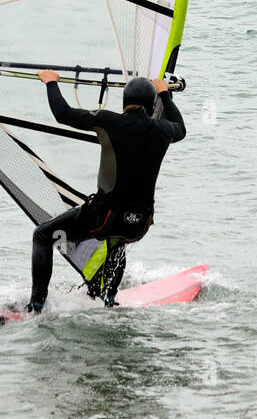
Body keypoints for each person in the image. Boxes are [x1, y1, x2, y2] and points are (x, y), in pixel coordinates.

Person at [27, 72, 186, 310]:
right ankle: (109, 297)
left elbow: (63, 114)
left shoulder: (109, 121)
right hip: (140, 224)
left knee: (43, 235)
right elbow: (181, 128)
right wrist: (165, 93)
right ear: (153, 105)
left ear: (124, 100)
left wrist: (51, 82)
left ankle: (37, 304)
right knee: (117, 239)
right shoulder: (164, 130)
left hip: (105, 217)